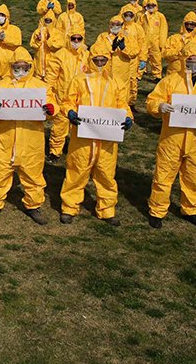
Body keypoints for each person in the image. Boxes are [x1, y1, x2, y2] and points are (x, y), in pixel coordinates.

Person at [145, 41, 196, 229]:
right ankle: (157, 210)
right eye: (190, 58)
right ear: (184, 59)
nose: (194, 62)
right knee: (164, 174)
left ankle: (191, 209)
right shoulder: (171, 80)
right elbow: (152, 99)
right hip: (172, 138)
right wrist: (159, 106)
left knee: (194, 175)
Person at [59, 41, 134, 225]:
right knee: (76, 172)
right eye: (97, 60)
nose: (100, 63)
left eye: (103, 60)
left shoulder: (116, 82)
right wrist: (70, 112)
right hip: (82, 137)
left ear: (108, 60)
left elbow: (122, 104)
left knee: (106, 174)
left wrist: (127, 117)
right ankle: (69, 207)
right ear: (91, 59)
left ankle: (107, 210)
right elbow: (68, 101)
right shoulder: (79, 79)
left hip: (106, 138)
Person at [0, 46, 57, 224]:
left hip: (32, 138)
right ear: (11, 66)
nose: (21, 70)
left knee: (33, 174)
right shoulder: (1, 85)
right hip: (6, 137)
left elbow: (52, 104)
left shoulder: (40, 86)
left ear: (30, 66)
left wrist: (52, 109)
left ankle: (33, 205)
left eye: (25, 67)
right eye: (17, 66)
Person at [44, 30, 89, 162]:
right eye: (73, 38)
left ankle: (78, 152)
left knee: (79, 125)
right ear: (68, 38)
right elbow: (51, 76)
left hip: (81, 98)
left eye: (79, 39)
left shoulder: (87, 56)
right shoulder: (60, 55)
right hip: (62, 97)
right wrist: (49, 93)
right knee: (59, 126)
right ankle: (55, 152)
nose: (76, 41)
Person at [93, 15, 140, 107]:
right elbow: (96, 51)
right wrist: (112, 48)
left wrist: (124, 49)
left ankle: (122, 115)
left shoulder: (128, 37)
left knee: (122, 94)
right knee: (106, 93)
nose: (115, 26)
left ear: (122, 25)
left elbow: (135, 52)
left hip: (122, 72)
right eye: (112, 24)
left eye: (117, 24)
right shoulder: (103, 36)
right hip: (106, 71)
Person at [118, 4, 147, 107]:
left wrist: (143, 59)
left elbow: (143, 44)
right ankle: (120, 102)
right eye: (126, 14)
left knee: (132, 81)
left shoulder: (138, 28)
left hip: (134, 59)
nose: (128, 16)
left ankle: (131, 103)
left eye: (131, 14)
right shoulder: (119, 26)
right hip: (121, 59)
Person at [164, 13, 196, 77]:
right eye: (187, 24)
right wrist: (179, 53)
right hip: (174, 73)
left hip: (194, 74)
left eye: (192, 24)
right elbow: (165, 54)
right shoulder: (173, 38)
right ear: (183, 24)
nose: (189, 26)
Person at [138, 0, 167, 79]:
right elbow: (138, 28)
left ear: (156, 6)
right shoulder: (143, 16)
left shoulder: (160, 16)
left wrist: (162, 43)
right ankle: (138, 75)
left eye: (153, 5)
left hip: (155, 42)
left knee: (156, 59)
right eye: (149, 5)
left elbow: (163, 30)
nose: (151, 6)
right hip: (144, 42)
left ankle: (157, 76)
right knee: (142, 58)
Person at [29, 10, 63, 81]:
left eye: (49, 20)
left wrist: (49, 40)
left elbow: (58, 46)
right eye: (46, 20)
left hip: (51, 66)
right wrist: (38, 40)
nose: (48, 22)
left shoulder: (57, 33)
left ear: (53, 21)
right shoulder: (38, 31)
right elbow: (32, 45)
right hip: (39, 65)